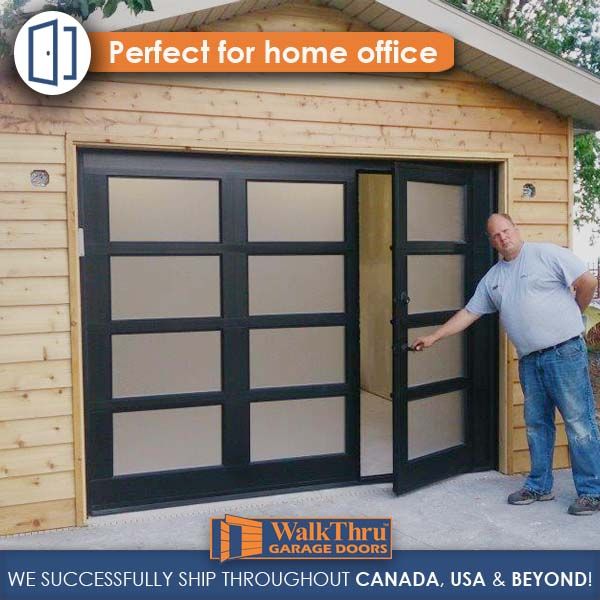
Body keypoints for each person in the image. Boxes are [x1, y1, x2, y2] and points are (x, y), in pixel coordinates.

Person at [412, 213, 600, 516]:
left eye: (505, 231)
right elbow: (469, 312)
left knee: (579, 423)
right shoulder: (495, 278)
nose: (503, 238)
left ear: (515, 229)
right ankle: (539, 485)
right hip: (530, 360)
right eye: (496, 235)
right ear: (491, 241)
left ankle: (592, 492)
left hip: (564, 353)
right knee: (537, 425)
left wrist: (573, 311)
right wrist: (434, 337)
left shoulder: (546, 254)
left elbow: (588, 281)